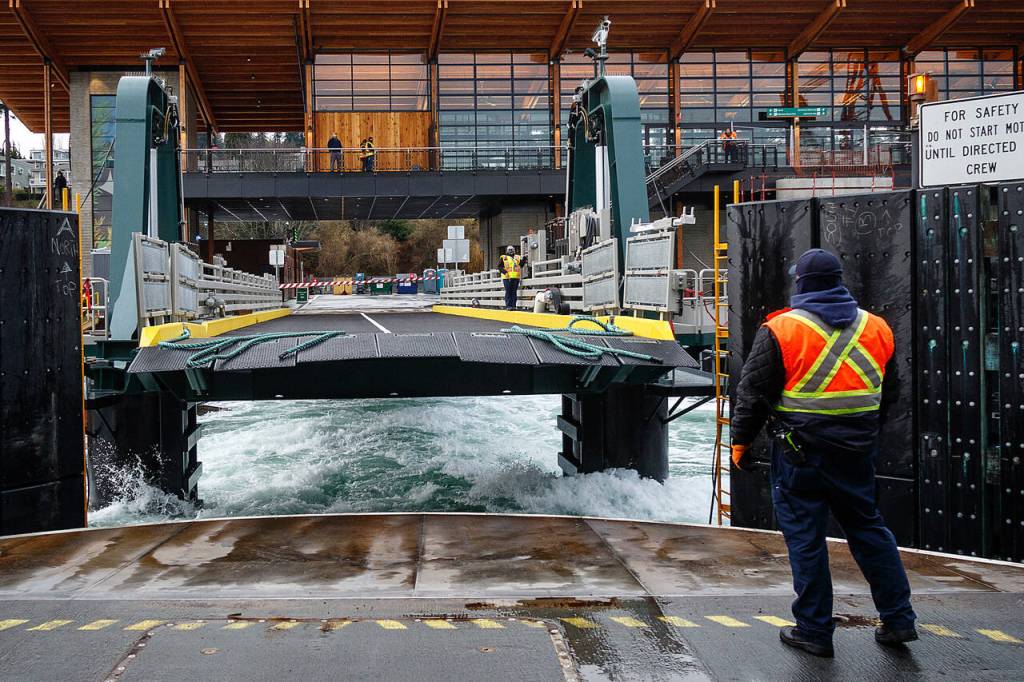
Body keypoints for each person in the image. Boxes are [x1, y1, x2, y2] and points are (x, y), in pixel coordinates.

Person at [730, 248, 916, 659]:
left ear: (801, 283)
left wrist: (741, 442)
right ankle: (899, 619)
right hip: (856, 452)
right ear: (838, 281)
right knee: (868, 528)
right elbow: (890, 393)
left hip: (800, 456)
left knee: (806, 538)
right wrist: (862, 433)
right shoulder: (877, 327)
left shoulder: (783, 328)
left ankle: (814, 630)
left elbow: (753, 394)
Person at [498, 245, 526, 310]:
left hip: (515, 277)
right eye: (509, 250)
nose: (511, 251)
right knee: (508, 291)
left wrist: (524, 259)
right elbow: (499, 267)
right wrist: (505, 272)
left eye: (512, 249)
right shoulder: (504, 257)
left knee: (514, 292)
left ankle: (513, 306)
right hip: (507, 277)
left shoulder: (517, 257)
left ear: (514, 250)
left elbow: (521, 265)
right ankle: (508, 306)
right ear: (507, 251)